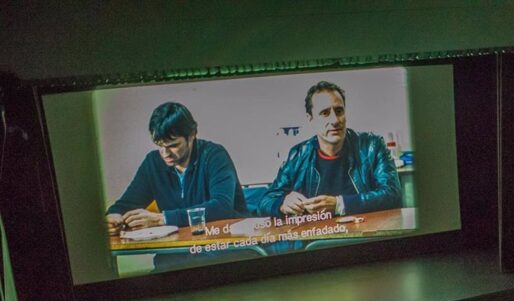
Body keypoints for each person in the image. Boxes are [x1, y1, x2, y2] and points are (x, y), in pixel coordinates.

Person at [258, 81, 402, 218]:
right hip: (316, 241)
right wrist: (282, 204)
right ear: (311, 118)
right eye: (325, 113)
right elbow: (265, 202)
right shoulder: (298, 155)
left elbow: (392, 194)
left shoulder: (372, 146)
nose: (335, 120)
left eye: (339, 111)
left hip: (368, 236)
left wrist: (340, 204)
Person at [105, 102, 247, 235]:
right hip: (178, 251)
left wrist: (163, 219)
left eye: (173, 145)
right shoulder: (153, 162)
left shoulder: (214, 155)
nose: (165, 153)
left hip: (223, 243)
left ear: (192, 135)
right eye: (159, 145)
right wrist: (114, 215)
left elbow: (222, 207)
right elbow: (127, 203)